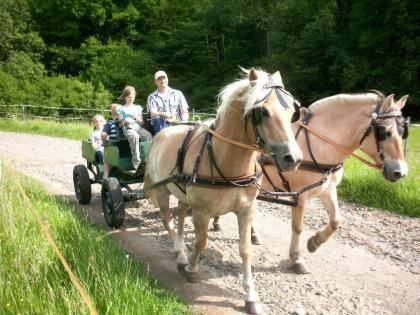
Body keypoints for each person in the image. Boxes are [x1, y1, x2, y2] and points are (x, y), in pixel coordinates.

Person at [117, 86, 152, 170]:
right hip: (128, 129)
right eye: (129, 97)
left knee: (148, 135)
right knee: (135, 136)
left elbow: (142, 122)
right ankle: (136, 162)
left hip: (138, 128)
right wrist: (125, 121)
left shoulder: (138, 107)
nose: (131, 98)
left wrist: (136, 118)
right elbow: (120, 125)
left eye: (132, 97)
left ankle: (147, 160)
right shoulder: (121, 109)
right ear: (125, 97)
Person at [101, 103, 121, 177]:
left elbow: (103, 135)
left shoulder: (109, 123)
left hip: (114, 146)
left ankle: (105, 175)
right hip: (126, 146)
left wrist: (105, 143)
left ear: (111, 113)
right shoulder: (126, 122)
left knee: (106, 160)